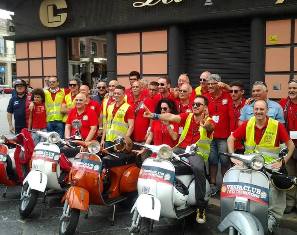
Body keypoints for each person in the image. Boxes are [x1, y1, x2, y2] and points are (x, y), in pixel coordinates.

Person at [143, 95, 215, 224]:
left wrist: (205, 125)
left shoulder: (209, 120)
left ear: (205, 107)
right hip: (181, 148)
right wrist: (154, 115)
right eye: (194, 104)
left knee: (198, 169)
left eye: (199, 104)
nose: (195, 106)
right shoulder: (187, 116)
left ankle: (201, 207)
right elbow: (170, 117)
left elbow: (210, 128)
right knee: (161, 159)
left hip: (196, 152)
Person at [227, 99, 295, 233]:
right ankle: (234, 208)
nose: (258, 112)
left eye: (261, 109)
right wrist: (233, 156)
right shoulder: (248, 123)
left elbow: (291, 146)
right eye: (256, 109)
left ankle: (273, 217)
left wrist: (282, 162)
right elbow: (231, 139)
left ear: (267, 111)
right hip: (249, 164)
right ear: (253, 111)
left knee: (275, 185)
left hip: (269, 165)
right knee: (232, 176)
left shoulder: (276, 125)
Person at [204, 74, 233, 195]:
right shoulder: (205, 97)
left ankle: (225, 185)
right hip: (210, 136)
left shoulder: (227, 96)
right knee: (212, 160)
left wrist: (232, 133)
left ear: (219, 84)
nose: (210, 86)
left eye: (212, 84)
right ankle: (213, 184)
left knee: (225, 160)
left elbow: (237, 94)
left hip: (224, 136)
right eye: (208, 84)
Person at [279, 79, 297, 214]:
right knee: (290, 175)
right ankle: (290, 203)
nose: (292, 90)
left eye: (295, 88)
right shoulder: (284, 103)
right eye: (290, 88)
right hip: (289, 145)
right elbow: (269, 105)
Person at [229, 81, 246, 153]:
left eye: (235, 91)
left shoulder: (247, 104)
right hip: (231, 141)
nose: (233, 93)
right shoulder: (228, 104)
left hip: (243, 142)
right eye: (231, 91)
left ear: (242, 92)